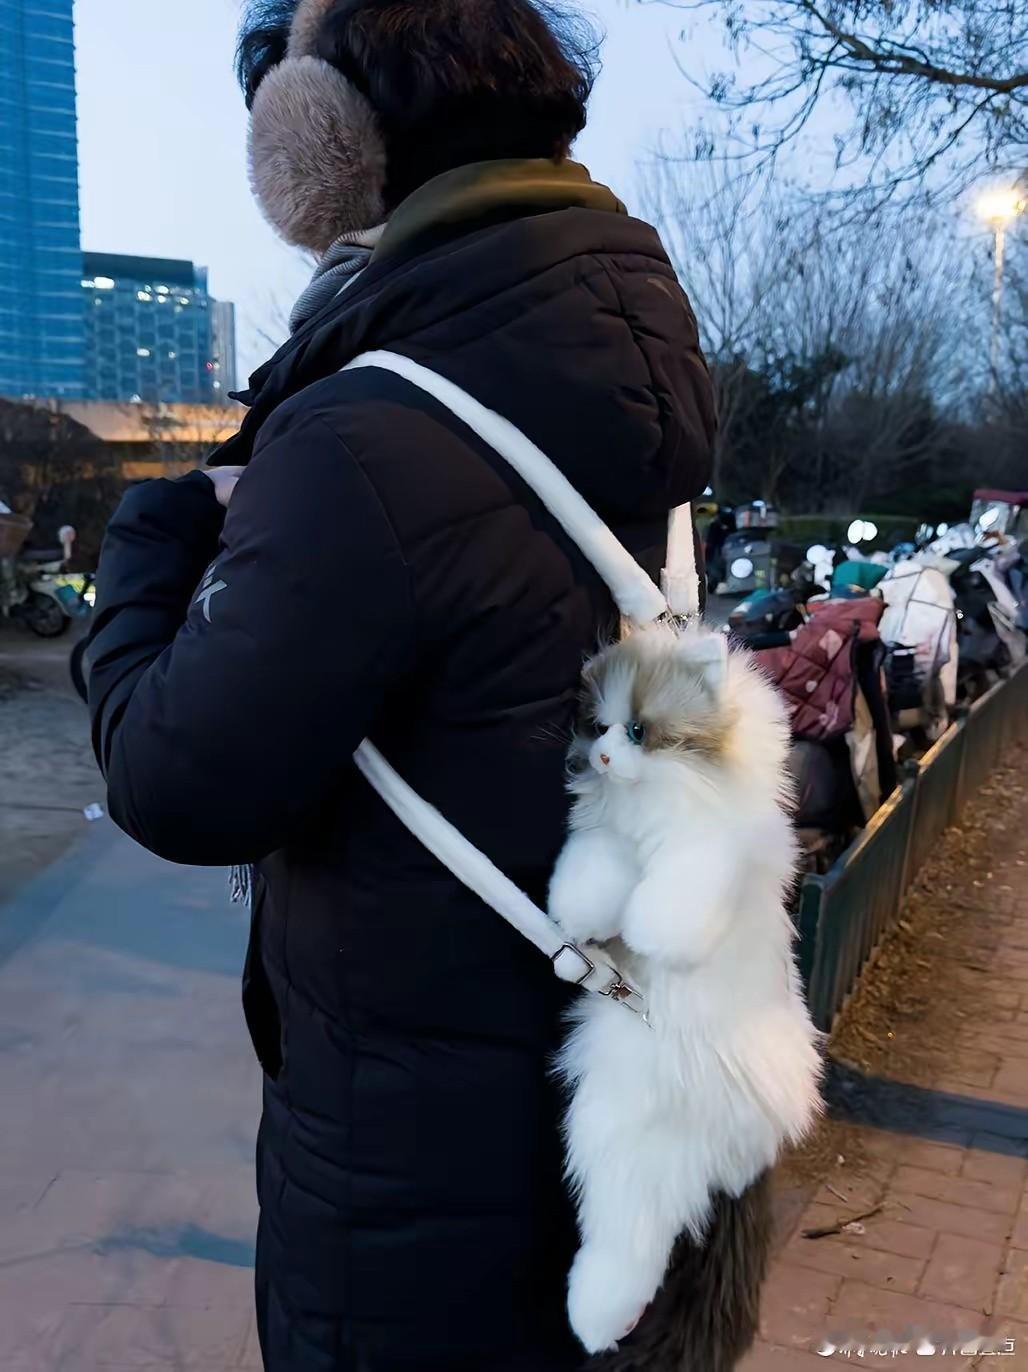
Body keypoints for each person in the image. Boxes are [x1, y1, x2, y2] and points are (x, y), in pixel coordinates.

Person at [85, 0, 716, 1367]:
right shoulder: (618, 361)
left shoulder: (367, 435)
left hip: (413, 1186)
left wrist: (148, 539)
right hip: (609, 1116)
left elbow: (175, 780)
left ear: (321, 143)